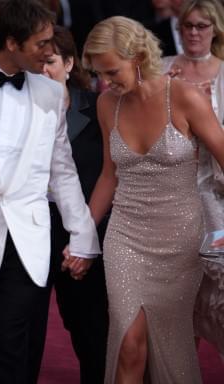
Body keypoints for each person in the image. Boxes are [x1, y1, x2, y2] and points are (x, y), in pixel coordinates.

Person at [0, 1, 100, 384]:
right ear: (11, 41)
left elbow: (62, 167)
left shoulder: (50, 92)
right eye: (41, 43)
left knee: (11, 339)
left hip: (29, 236)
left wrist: (82, 234)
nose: (50, 51)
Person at [82, 15, 224, 384]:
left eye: (112, 71)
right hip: (126, 236)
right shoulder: (106, 105)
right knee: (129, 342)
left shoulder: (183, 96)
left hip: (180, 238)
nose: (106, 82)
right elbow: (108, 176)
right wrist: (83, 235)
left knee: (174, 345)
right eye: (100, 74)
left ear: (139, 55)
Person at [42, 25, 109, 384]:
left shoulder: (98, 107)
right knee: (61, 317)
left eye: (50, 61)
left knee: (87, 321)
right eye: (37, 62)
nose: (43, 70)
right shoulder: (21, 107)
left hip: (86, 221)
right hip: (36, 224)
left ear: (69, 63)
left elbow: (109, 174)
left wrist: (86, 231)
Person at [162, 0, 224, 362]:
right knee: (175, 291)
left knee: (218, 284)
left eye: (202, 26)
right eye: (189, 26)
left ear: (215, 29)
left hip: (216, 197)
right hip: (170, 197)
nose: (195, 33)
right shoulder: (163, 70)